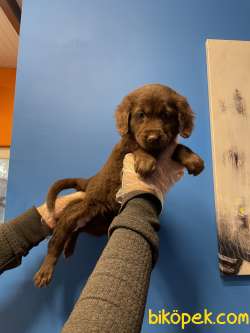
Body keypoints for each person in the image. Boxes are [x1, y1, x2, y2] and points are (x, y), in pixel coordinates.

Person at [0, 145, 184, 333]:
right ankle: (54, 255)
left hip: (114, 206)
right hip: (101, 194)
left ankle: (75, 232)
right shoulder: (129, 144)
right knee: (73, 218)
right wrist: (143, 201)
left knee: (95, 226)